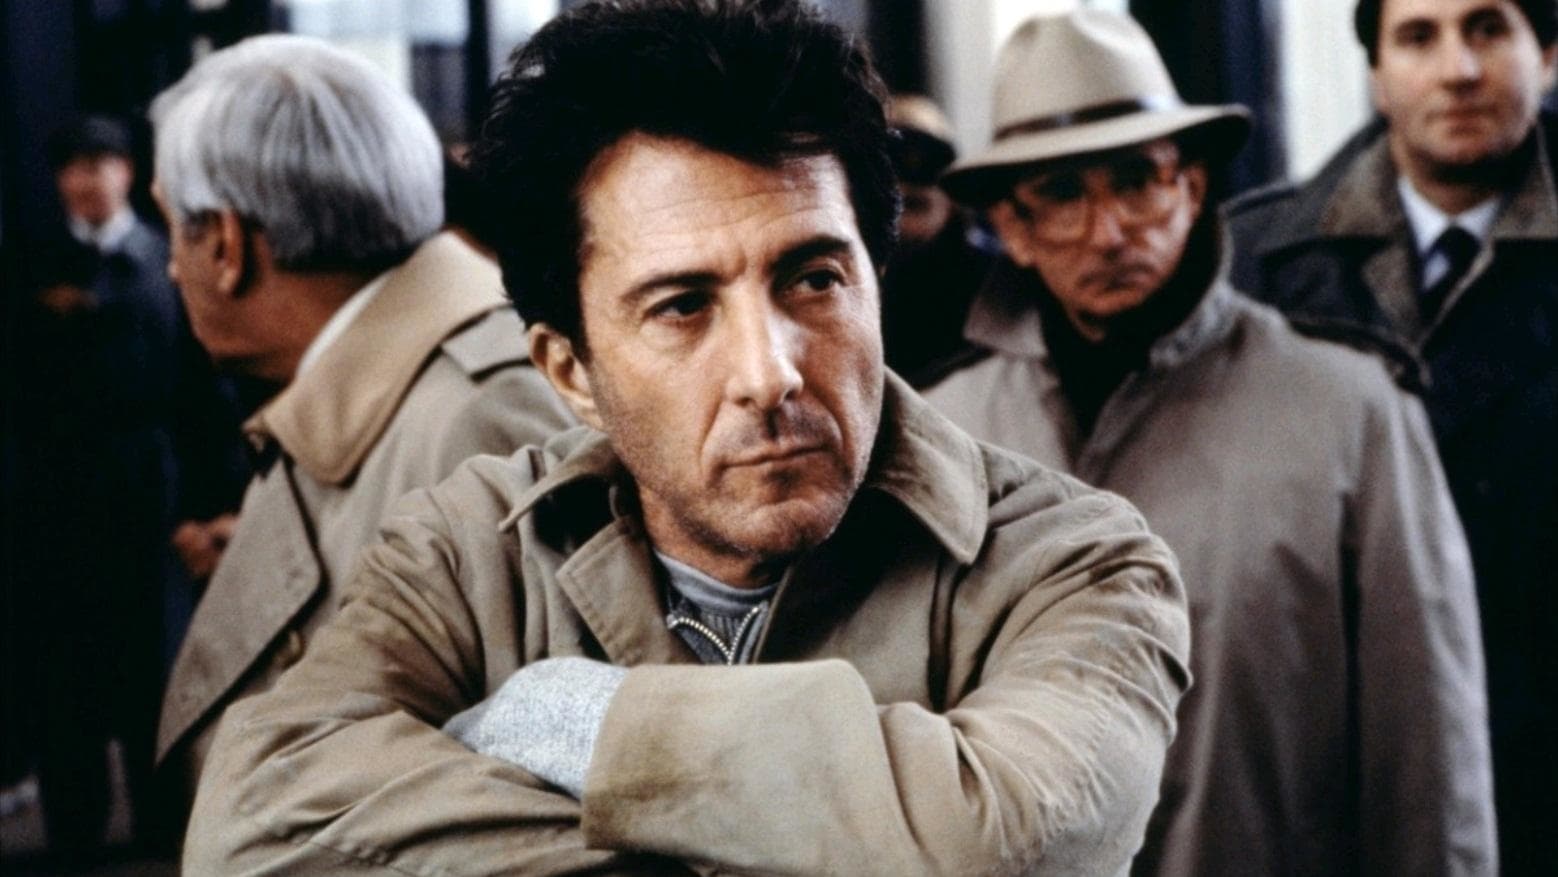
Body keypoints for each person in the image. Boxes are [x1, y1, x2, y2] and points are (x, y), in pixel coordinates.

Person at [181, 2, 1192, 873]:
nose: (769, 371)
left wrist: (573, 721)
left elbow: (1007, 843)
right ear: (570, 370)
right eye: (681, 306)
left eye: (813, 279)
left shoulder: (1072, 559)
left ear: (876, 285)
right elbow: (255, 824)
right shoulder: (468, 551)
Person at [928, 10, 1495, 874]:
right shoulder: (949, 431)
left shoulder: (1348, 410)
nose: (1110, 230)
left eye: (1137, 181)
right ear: (1014, 227)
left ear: (1191, 188)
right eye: (1064, 194)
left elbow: (1428, 751)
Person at [149, 34, 575, 803]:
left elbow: (545, 786)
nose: (171, 265)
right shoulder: (413, 389)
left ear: (227, 246)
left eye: (173, 226)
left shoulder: (479, 409)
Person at [1224, 0, 1558, 869]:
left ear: (1548, 53)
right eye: (1418, 37)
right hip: (1324, 780)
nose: (1458, 70)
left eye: (1488, 29)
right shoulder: (1250, 263)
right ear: (1375, 72)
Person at [1, 114, 247, 860]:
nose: (87, 181)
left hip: (152, 496)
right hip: (56, 501)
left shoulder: (165, 259)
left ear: (127, 173)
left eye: (100, 164)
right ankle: (74, 831)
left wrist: (211, 503)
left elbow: (202, 394)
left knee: (157, 668)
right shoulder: (31, 265)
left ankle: (163, 830)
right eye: (72, 167)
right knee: (66, 669)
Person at [879, 94, 995, 384]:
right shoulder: (849, 275)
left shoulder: (996, 281)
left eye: (915, 205)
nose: (901, 225)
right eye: (891, 207)